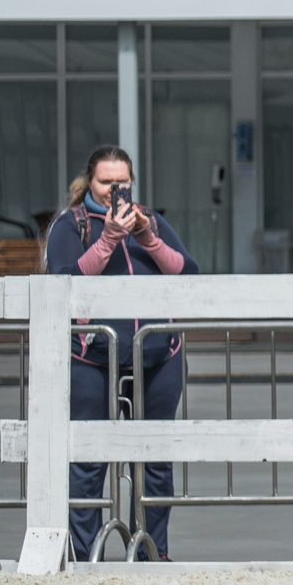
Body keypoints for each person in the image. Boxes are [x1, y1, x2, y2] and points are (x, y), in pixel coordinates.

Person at [45, 146, 192, 561]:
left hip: (158, 354)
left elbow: (188, 273)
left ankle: (152, 551)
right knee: (90, 461)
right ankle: (84, 552)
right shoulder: (70, 225)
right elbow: (64, 281)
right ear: (89, 183)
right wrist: (109, 238)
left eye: (121, 182)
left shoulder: (152, 220)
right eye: (106, 182)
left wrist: (147, 237)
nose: (114, 190)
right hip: (92, 357)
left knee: (154, 461)